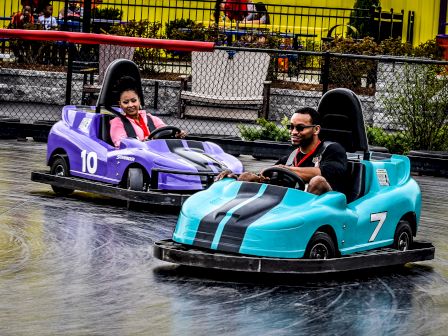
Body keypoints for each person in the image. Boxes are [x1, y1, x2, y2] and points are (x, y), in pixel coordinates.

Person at [216, 107, 347, 195]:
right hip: (293, 207)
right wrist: (237, 177)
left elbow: (326, 173)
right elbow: (266, 175)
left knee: (317, 181)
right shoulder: (290, 158)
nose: (294, 132)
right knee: (247, 176)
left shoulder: (332, 150)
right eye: (291, 127)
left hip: (330, 209)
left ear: (316, 130)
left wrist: (285, 169)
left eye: (300, 128)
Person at [110, 76, 187, 147]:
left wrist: (177, 134)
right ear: (120, 104)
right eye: (126, 102)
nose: (130, 105)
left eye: (133, 101)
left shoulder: (151, 118)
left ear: (139, 101)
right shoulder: (117, 123)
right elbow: (121, 144)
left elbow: (166, 130)